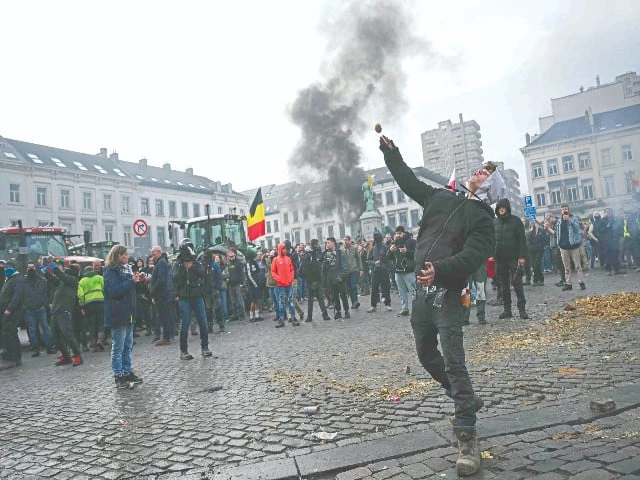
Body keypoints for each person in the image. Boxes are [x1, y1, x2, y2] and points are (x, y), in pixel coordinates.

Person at [379, 134, 494, 475]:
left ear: (491, 187)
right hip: (421, 295)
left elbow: (472, 256)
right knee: (426, 354)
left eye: (487, 172)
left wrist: (439, 270)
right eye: (480, 169)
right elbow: (408, 182)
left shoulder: (484, 220)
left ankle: (467, 438)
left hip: (447, 294)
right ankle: (466, 399)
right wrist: (392, 153)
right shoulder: (440, 197)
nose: (479, 173)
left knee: (455, 363)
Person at [103, 245, 143, 387]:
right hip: (118, 313)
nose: (127, 257)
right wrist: (131, 282)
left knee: (128, 346)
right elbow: (115, 291)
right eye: (124, 254)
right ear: (117, 256)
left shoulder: (127, 270)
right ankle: (118, 375)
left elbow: (129, 291)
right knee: (118, 347)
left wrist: (135, 282)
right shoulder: (110, 271)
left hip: (129, 313)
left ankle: (127, 372)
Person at [173, 243, 212, 360]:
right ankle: (183, 351)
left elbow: (203, 274)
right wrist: (184, 268)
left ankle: (205, 347)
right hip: (184, 297)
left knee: (203, 322)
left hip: (197, 296)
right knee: (185, 324)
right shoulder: (178, 265)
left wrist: (192, 267)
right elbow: (175, 279)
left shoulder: (195, 263)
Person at [494, 198, 529, 320]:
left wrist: (522, 256)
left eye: (503, 207)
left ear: (507, 208)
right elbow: (492, 240)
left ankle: (522, 310)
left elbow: (522, 240)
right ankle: (507, 310)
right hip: (499, 259)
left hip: (514, 258)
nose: (501, 209)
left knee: (517, 284)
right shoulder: (495, 222)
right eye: (499, 207)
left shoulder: (516, 221)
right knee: (503, 286)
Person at [47, 260, 84, 367]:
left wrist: (53, 265)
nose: (67, 269)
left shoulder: (72, 280)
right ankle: (66, 356)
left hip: (64, 311)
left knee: (68, 335)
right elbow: (52, 278)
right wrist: (43, 268)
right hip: (55, 311)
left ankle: (77, 356)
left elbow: (60, 275)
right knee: (55, 336)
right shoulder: (63, 281)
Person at [23, 261, 55, 356]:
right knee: (32, 330)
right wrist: (25, 305)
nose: (31, 269)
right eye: (29, 267)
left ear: (35, 268)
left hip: (41, 308)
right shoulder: (23, 282)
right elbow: (21, 295)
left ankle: (49, 347)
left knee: (45, 328)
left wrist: (44, 303)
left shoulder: (42, 280)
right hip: (29, 309)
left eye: (32, 267)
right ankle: (36, 349)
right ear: (27, 269)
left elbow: (46, 293)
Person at [0, 261, 25, 370]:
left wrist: (10, 309)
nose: (6, 269)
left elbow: (17, 295)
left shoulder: (17, 279)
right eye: (5, 268)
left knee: (10, 333)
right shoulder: (9, 279)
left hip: (12, 312)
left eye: (8, 267)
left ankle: (13, 358)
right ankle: (13, 357)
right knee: (8, 333)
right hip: (5, 310)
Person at [387, 226, 416, 316]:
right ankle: (405, 308)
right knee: (401, 292)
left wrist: (407, 252)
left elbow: (417, 254)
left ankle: (417, 309)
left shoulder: (411, 241)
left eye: (399, 233)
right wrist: (390, 251)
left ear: (403, 233)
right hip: (398, 271)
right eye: (396, 233)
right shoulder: (394, 243)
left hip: (408, 271)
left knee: (414, 291)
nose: (398, 235)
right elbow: (387, 257)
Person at [556, 204, 586, 291]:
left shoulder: (574, 218)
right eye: (562, 209)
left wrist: (569, 220)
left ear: (568, 210)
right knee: (567, 266)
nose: (564, 211)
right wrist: (558, 242)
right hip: (563, 246)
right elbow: (558, 233)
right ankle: (568, 284)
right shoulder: (559, 221)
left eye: (565, 209)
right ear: (561, 211)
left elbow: (577, 229)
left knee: (577, 265)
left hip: (573, 245)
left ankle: (581, 282)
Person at [78, 262, 106, 352]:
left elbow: (80, 295)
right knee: (101, 322)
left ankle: (94, 346)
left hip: (89, 305)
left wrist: (82, 306)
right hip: (100, 302)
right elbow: (103, 288)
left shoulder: (82, 281)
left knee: (92, 324)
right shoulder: (99, 277)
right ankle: (100, 340)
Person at [302, 239, 330, 322]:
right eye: (317, 244)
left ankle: (324, 314)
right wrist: (311, 280)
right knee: (311, 299)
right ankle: (310, 316)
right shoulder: (309, 256)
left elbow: (319, 266)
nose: (318, 246)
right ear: (314, 245)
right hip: (311, 281)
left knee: (320, 298)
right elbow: (306, 270)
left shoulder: (317, 254)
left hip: (317, 279)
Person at [271, 242, 298, 328]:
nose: (285, 250)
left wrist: (290, 278)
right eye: (284, 249)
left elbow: (292, 269)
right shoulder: (275, 260)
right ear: (280, 249)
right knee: (281, 302)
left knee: (291, 301)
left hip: (288, 284)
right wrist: (279, 279)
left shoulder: (288, 259)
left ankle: (293, 317)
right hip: (281, 285)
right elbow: (273, 272)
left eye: (286, 249)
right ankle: (281, 319)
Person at [323, 237, 350, 320]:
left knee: (343, 295)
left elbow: (345, 266)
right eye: (327, 243)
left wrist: (341, 276)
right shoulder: (326, 254)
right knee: (334, 297)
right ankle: (338, 311)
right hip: (331, 279)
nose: (327, 244)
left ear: (333, 243)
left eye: (328, 242)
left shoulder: (340, 253)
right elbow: (324, 268)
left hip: (340, 278)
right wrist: (325, 264)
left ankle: (346, 311)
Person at [150, 245, 172, 345]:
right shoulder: (159, 262)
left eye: (153, 252)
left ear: (158, 252)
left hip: (161, 294)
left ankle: (166, 337)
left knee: (164, 316)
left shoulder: (161, 263)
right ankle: (166, 336)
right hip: (160, 294)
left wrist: (153, 290)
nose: (152, 254)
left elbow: (161, 280)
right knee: (163, 316)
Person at [366, 232, 391, 313]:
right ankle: (373, 305)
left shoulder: (385, 248)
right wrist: (374, 263)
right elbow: (369, 260)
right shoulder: (373, 249)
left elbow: (389, 259)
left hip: (384, 271)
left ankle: (388, 304)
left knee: (386, 288)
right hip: (376, 271)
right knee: (374, 289)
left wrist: (385, 265)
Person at [342, 236, 363, 309]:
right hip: (346, 271)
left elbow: (358, 259)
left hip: (353, 270)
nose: (345, 241)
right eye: (344, 240)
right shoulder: (342, 250)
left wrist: (360, 269)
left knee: (353, 286)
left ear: (350, 241)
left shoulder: (354, 248)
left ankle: (355, 301)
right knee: (349, 287)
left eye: (347, 240)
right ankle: (353, 302)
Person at [527, 220, 548, 286]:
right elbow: (528, 240)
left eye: (534, 224)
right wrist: (530, 232)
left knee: (537, 264)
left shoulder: (541, 231)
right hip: (531, 250)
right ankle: (537, 279)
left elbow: (545, 239)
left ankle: (539, 279)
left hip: (539, 249)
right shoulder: (529, 231)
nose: (533, 225)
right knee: (533, 265)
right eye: (531, 224)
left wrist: (543, 246)